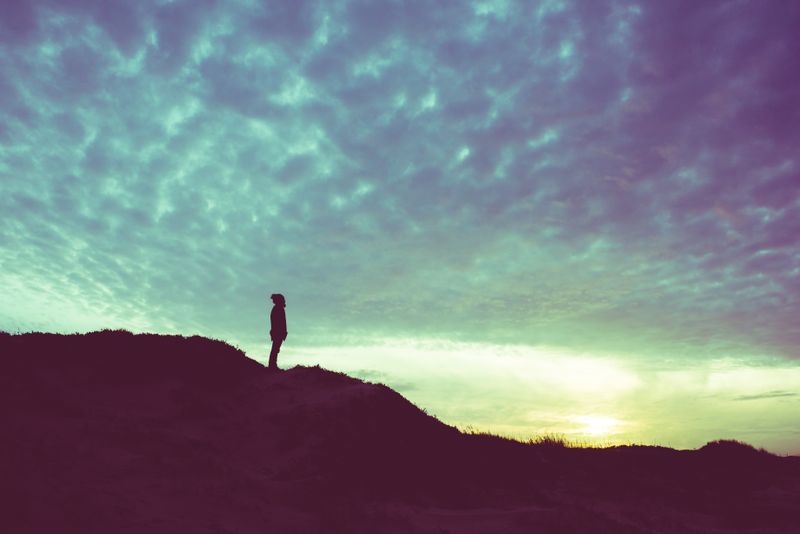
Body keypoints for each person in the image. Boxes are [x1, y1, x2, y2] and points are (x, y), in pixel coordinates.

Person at [268, 293, 287, 370]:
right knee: (275, 349)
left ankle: (272, 365)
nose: (284, 301)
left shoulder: (277, 308)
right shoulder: (278, 309)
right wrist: (281, 332)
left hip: (278, 332)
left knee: (275, 349)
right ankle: (272, 366)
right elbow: (278, 322)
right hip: (278, 332)